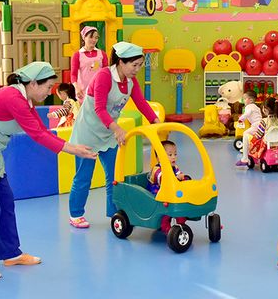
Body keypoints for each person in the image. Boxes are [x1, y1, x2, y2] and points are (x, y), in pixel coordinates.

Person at [0, 62, 95, 280]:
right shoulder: (13, 97)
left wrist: (73, 145)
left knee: (5, 203)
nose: (50, 92)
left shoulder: (25, 100)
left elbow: (41, 129)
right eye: (47, 87)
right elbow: (38, 135)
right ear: (33, 83)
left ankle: (11, 254)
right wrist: (74, 149)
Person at [68, 41, 160, 229]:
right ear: (121, 62)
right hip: (88, 132)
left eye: (140, 65)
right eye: (134, 65)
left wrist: (156, 122)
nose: (137, 70)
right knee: (84, 177)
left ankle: (114, 212)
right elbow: (99, 108)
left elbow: (141, 103)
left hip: (108, 134)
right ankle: (76, 214)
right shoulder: (104, 76)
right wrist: (117, 129)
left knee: (114, 177)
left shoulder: (131, 81)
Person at [147, 140, 188, 234]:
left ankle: (181, 222)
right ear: (159, 157)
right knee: (165, 210)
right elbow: (163, 180)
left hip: (170, 192)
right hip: (157, 194)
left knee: (180, 202)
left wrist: (184, 178)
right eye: (170, 155)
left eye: (175, 154)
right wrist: (176, 178)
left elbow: (180, 175)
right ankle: (166, 227)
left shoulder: (174, 167)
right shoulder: (157, 170)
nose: (174, 157)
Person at [70, 26, 108, 103]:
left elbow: (106, 73)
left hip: (100, 90)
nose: (94, 40)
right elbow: (73, 75)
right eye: (91, 37)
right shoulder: (77, 55)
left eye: (96, 38)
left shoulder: (102, 54)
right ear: (84, 37)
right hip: (83, 92)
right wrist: (77, 88)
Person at [235, 90, 262, 169]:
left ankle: (245, 158)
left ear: (250, 100)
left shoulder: (248, 107)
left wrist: (241, 119)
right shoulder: (256, 107)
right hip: (261, 125)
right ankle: (252, 150)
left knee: (245, 134)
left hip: (256, 125)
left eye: (244, 99)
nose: (243, 100)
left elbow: (247, 114)